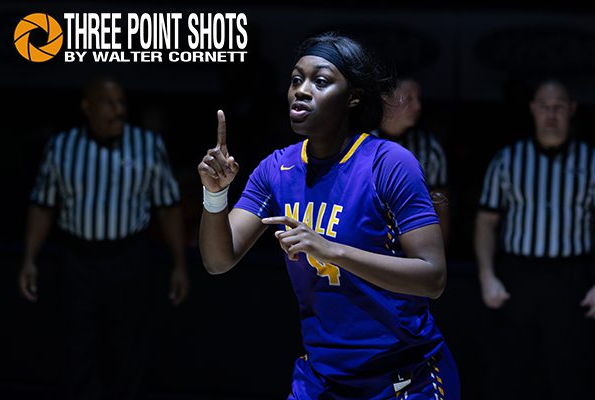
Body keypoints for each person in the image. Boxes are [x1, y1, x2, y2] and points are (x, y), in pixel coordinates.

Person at [198, 32, 460, 400]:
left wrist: (331, 250)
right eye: (295, 80)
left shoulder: (389, 163)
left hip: (402, 375)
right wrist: (215, 195)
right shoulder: (276, 168)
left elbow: (433, 277)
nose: (301, 90)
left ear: (353, 96)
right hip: (323, 378)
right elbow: (218, 260)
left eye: (319, 81)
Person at [18, 77, 189, 400]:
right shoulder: (62, 146)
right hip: (77, 258)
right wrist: (29, 258)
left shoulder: (147, 145)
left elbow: (168, 208)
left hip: (129, 256)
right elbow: (42, 206)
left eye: (122, 103)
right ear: (87, 107)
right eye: (109, 103)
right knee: (76, 346)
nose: (118, 111)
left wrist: (179, 264)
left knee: (129, 347)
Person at [475, 79, 595, 399]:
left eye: (558, 106)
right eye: (544, 106)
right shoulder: (508, 159)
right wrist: (487, 276)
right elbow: (486, 222)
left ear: (572, 109)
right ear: (532, 109)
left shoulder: (592, 161)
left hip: (573, 277)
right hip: (518, 275)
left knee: (573, 373)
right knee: (508, 371)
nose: (551, 114)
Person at [376, 78, 450, 246]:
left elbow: (441, 209)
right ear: (386, 100)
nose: (417, 107)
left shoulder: (429, 148)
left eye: (418, 99)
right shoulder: (362, 141)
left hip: (412, 246)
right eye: (409, 98)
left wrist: (439, 256)